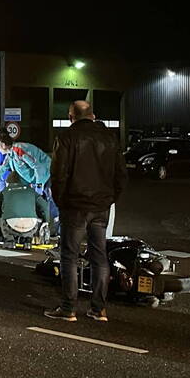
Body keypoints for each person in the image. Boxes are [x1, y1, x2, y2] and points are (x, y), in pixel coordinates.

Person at [44, 100, 128, 322]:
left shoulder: (66, 137)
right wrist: (110, 198)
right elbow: (121, 174)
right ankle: (98, 308)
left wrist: (61, 202)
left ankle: (68, 307)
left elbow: (58, 175)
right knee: (99, 255)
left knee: (69, 256)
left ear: (72, 116)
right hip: (101, 206)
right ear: (93, 115)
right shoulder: (110, 138)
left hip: (75, 205)